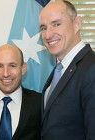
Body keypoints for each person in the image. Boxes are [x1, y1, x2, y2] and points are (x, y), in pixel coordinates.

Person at [40, 1, 95, 140]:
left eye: (56, 24)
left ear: (77, 23)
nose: (48, 35)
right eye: (43, 28)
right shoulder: (61, 69)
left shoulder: (91, 68)